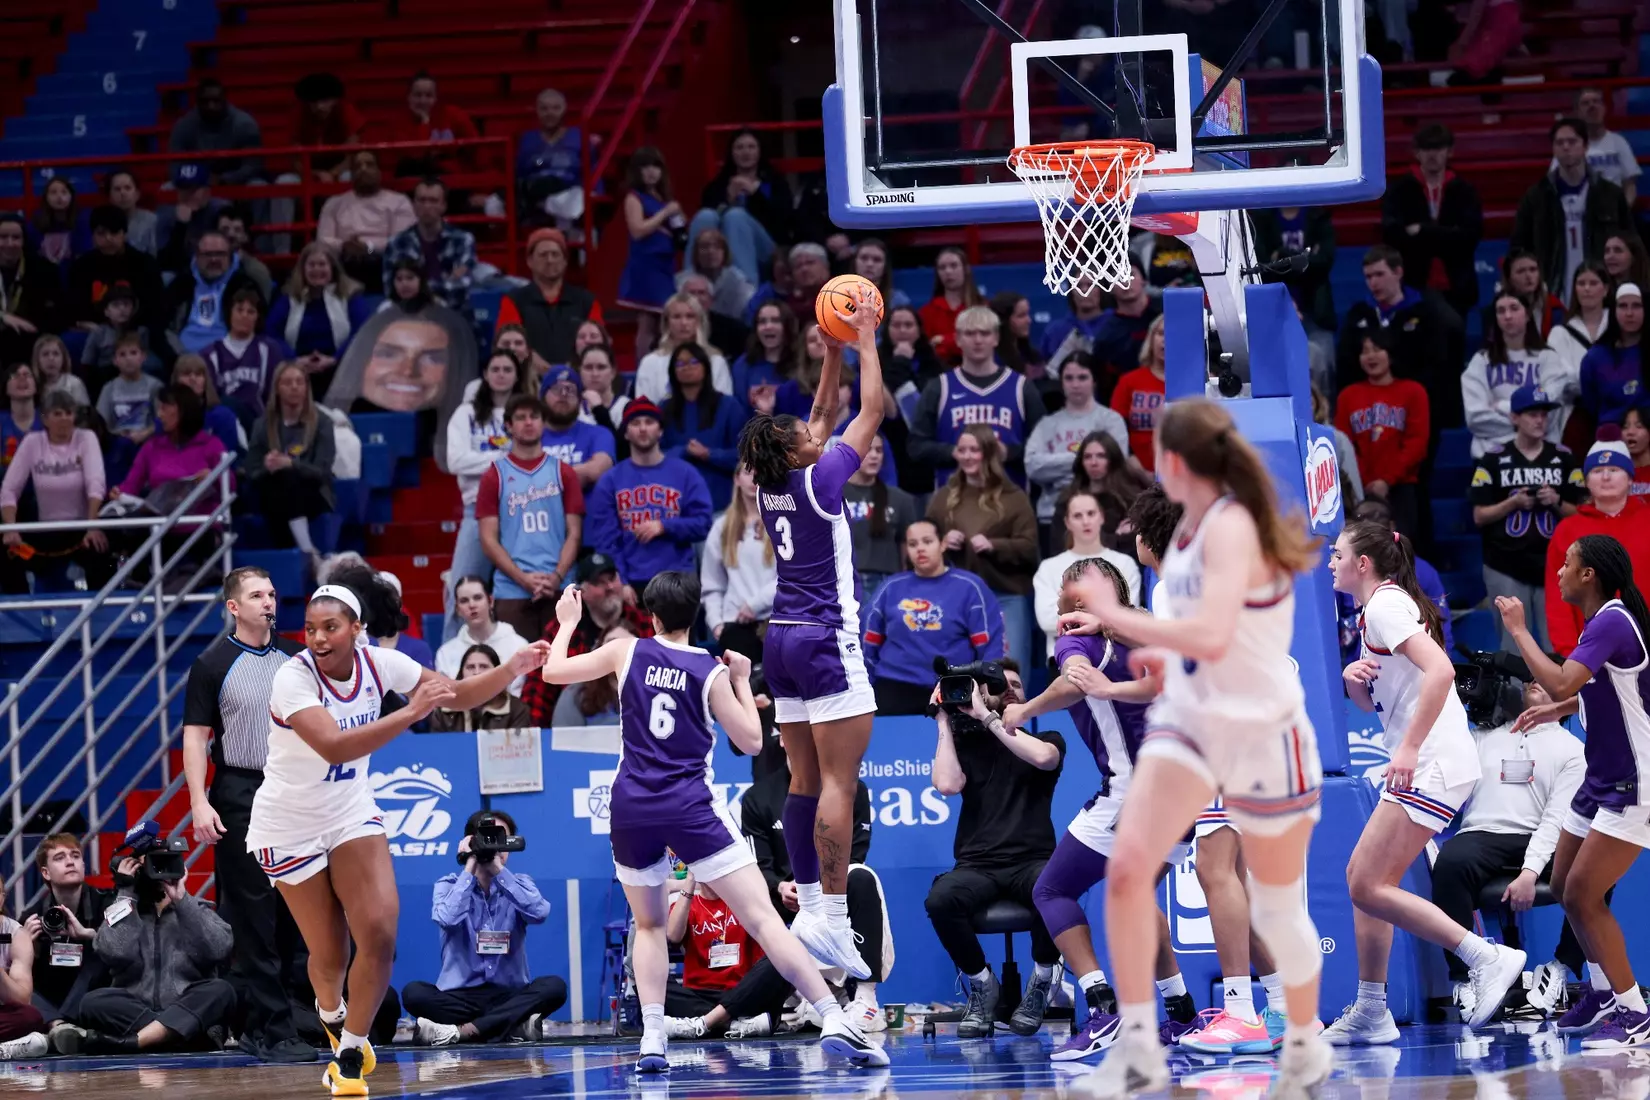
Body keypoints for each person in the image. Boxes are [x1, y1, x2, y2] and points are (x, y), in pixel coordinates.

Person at [1056, 398, 1332, 1095]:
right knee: (1236, 881)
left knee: (1218, 873)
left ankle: (1241, 1011)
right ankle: (1284, 1014)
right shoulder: (1192, 541)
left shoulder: (1225, 528)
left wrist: (1115, 619)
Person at [539, 574, 886, 1070]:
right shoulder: (708, 669)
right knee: (765, 920)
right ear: (694, 615)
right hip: (689, 806)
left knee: (650, 924)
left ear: (651, 615)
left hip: (632, 805)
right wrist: (743, 681)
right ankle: (834, 1016)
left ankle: (652, 1037)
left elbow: (553, 673)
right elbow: (749, 740)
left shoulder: (626, 652)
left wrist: (568, 623)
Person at [248, 583, 545, 1094]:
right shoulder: (291, 679)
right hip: (288, 824)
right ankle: (332, 1015)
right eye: (311, 628)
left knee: (381, 934)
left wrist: (511, 668)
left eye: (331, 627)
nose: (318, 637)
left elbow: (453, 692)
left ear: (357, 629)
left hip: (348, 812)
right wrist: (409, 712)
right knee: (330, 954)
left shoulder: (381, 663)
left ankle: (348, 1052)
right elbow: (335, 747)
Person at [732, 282, 889, 984]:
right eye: (800, 431)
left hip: (781, 640)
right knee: (839, 782)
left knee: (799, 776)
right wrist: (865, 342)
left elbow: (824, 412)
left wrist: (828, 353)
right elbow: (872, 409)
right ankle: (827, 912)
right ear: (797, 451)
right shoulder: (824, 480)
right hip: (827, 638)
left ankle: (811, 914)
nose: (811, 427)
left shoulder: (771, 484)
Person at [1326, 521, 1525, 1043]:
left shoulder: (1386, 606)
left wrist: (1410, 749)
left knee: (1365, 883)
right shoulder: (1377, 611)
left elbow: (1440, 672)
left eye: (1338, 553)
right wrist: (1354, 683)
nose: (1330, 561)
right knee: (1365, 885)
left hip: (1432, 759)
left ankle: (1484, 957)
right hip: (1432, 758)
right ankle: (1372, 1008)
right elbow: (1379, 701)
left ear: (1362, 564)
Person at [1005, 560, 1199, 1059]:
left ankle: (1101, 1007)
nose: (1071, 604)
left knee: (1053, 888)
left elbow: (1074, 681)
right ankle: (1181, 1015)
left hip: (1136, 790)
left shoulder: (1076, 636)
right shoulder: (1147, 630)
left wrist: (1024, 711)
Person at [1496, 535, 1650, 1047]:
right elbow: (1588, 691)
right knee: (1563, 886)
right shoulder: (1603, 621)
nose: (1558, 571)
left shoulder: (1611, 618)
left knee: (1585, 894)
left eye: (1567, 563)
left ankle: (1634, 1010)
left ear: (1590, 575)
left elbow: (1563, 681)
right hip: (1599, 777)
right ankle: (1603, 993)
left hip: (1633, 781)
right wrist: (1559, 711)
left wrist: (1519, 631)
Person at [178, 567, 311, 1062]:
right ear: (233, 606)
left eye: (273, 593)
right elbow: (195, 736)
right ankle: (269, 1032)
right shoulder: (212, 663)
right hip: (239, 788)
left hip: (294, 787)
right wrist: (198, 800)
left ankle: (295, 1020)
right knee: (253, 914)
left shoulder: (297, 658)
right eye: (257, 595)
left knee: (295, 912)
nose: (269, 602)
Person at [925, 658, 1065, 1036]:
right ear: (982, 692)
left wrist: (990, 718)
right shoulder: (967, 743)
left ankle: (1041, 982)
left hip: (1032, 860)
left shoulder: (1048, 738)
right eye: (1000, 685)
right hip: (977, 865)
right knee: (941, 899)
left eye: (1016, 685)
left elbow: (1043, 759)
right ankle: (983, 984)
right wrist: (943, 719)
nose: (1010, 690)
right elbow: (947, 785)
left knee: (1054, 888)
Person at [1430, 679, 1587, 1016]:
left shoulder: (1572, 749)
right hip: (1483, 834)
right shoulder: (1482, 737)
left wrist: (1530, 872)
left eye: (1549, 680)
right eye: (1531, 678)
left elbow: (1556, 820)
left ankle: (1559, 968)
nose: (1537, 683)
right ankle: (1467, 977)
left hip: (1540, 836)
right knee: (1450, 863)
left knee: (1594, 871)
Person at [736, 736, 892, 1034]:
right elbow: (759, 866)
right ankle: (817, 995)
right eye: (798, 733)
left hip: (835, 894)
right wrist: (780, 887)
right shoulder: (758, 798)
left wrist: (821, 887)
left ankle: (866, 999)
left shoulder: (852, 789)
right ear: (784, 739)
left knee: (863, 877)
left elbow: (855, 852)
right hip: (784, 903)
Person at [47, 842, 235, 1056]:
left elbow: (220, 949)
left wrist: (182, 900)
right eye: (154, 863)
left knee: (220, 990)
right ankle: (174, 1037)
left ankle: (135, 1042)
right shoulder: (123, 909)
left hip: (185, 1005)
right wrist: (127, 892)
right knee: (93, 1001)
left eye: (166, 862)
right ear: (137, 868)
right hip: (147, 1012)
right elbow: (113, 952)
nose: (160, 870)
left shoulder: (197, 908)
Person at [402, 809, 563, 1042]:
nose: (494, 845)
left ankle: (461, 1032)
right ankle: (513, 1025)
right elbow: (448, 919)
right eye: (486, 838)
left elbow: (539, 913)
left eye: (500, 838)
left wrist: (498, 870)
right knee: (414, 993)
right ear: (469, 842)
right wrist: (470, 865)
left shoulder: (520, 884)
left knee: (554, 987)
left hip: (508, 995)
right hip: (459, 998)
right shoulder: (447, 885)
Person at [1470, 384, 1585, 653]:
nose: (1539, 420)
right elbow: (1479, 516)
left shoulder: (1564, 457)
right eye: (1532, 414)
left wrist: (1556, 502)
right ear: (1514, 418)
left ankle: (1557, 696)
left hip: (1556, 564)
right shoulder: (1494, 459)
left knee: (1556, 643)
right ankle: (1514, 697)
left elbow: (1583, 514)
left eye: (1544, 414)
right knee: (1512, 647)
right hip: (1505, 563)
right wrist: (1513, 503)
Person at [925, 425, 1038, 673]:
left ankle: (1014, 712)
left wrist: (995, 545)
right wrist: (943, 541)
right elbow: (923, 541)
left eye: (973, 450)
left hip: (1005, 596)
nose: (966, 456)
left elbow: (1030, 549)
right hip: (956, 599)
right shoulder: (944, 497)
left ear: (988, 453)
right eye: (961, 450)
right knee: (958, 671)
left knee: (1010, 669)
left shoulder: (1014, 497)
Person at [864, 519, 1002, 715]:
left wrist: (987, 686)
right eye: (913, 544)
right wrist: (866, 684)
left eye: (927, 542)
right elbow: (867, 641)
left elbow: (991, 645)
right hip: (894, 685)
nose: (920, 549)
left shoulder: (971, 587)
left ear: (943, 543)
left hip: (954, 686)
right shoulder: (890, 588)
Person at [476, 394, 584, 643]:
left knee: (565, 671)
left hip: (560, 586)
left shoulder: (563, 472)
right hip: (512, 589)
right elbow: (488, 539)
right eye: (521, 417)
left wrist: (556, 576)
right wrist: (522, 578)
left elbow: (574, 533)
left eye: (534, 416)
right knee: (515, 674)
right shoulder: (494, 475)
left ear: (544, 423)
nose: (528, 422)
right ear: (508, 425)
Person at [585, 399, 713, 597]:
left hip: (678, 579)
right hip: (633, 582)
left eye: (649, 422)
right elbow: (607, 540)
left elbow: (703, 524)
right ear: (626, 433)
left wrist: (664, 526)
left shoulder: (686, 473)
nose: (643, 428)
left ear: (660, 430)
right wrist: (621, 580)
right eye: (635, 424)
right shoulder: (610, 480)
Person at [910, 304, 1047, 485]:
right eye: (970, 334)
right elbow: (916, 446)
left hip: (1009, 498)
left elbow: (1044, 445)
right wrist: (954, 452)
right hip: (954, 501)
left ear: (996, 338)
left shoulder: (1021, 387)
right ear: (958, 339)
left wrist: (1008, 452)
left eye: (984, 333)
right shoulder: (939, 388)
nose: (978, 340)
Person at [1335, 244, 1465, 428]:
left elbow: (1435, 365)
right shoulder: (1358, 314)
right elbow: (1346, 364)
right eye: (1368, 277)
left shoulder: (1426, 313)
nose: (1373, 283)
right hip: (1367, 411)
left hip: (1413, 407)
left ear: (1398, 272)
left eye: (1379, 275)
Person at [518, 552, 653, 724]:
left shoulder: (646, 624)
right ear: (582, 593)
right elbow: (538, 690)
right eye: (598, 583)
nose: (610, 587)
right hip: (579, 724)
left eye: (612, 578)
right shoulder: (561, 630)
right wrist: (536, 737)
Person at [1545, 437, 1650, 655]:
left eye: (1614, 469)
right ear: (1586, 481)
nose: (1605, 477)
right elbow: (1558, 597)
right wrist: (1568, 653)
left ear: (1630, 478)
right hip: (1590, 652)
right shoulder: (1568, 530)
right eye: (1597, 470)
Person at [1511, 118, 1637, 296]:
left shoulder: (1610, 195)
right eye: (1559, 143)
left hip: (1603, 289)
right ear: (1553, 149)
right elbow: (1519, 247)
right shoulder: (1535, 197)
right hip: (1552, 289)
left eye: (1572, 141)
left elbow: (1631, 244)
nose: (1566, 147)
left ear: (1585, 146)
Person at [1381, 123, 1484, 320]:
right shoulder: (1400, 190)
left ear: (1449, 152)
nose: (1432, 154)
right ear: (1417, 153)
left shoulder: (1464, 191)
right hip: (1412, 286)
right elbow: (1392, 235)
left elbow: (1470, 237)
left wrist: (1422, 231)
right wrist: (1447, 235)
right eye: (1426, 149)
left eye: (1438, 148)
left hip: (1457, 288)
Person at [1335, 327, 1430, 540]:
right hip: (1359, 490)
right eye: (1365, 351)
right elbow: (1344, 445)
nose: (1370, 356)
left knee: (1401, 551)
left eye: (1377, 349)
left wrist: (1386, 480)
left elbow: (1417, 443)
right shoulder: (1348, 396)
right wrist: (1364, 482)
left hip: (1401, 488)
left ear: (1390, 352)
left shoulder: (1414, 392)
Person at [1025, 354, 1132, 541]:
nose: (1075, 384)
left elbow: (1115, 462)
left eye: (1082, 377)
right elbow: (1032, 466)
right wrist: (1084, 461)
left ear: (1094, 381)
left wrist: (1055, 466)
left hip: (1103, 513)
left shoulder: (1111, 420)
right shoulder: (1047, 424)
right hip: (1052, 515)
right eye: (1069, 378)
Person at [244, 362, 337, 569]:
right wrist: (267, 467)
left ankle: (299, 554)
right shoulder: (262, 425)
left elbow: (322, 472)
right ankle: (307, 553)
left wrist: (291, 464)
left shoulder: (322, 423)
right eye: (287, 382)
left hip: (313, 494)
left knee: (288, 478)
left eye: (299, 382)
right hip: (273, 493)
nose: (294, 387)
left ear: (306, 387)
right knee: (277, 483)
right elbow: (251, 470)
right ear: (277, 388)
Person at [21, 835, 110, 1039]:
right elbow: (20, 982)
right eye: (60, 858)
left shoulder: (107, 903)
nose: (70, 861)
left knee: (100, 954)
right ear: (46, 872)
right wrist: (28, 951)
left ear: (83, 864)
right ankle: (60, 1027)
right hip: (51, 1000)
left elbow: (127, 954)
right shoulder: (32, 916)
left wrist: (91, 935)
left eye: (76, 856)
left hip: (94, 998)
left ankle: (61, 1026)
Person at [1033, 487, 1141, 648]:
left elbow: (1129, 615)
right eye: (1078, 515)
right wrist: (1104, 614)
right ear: (1067, 522)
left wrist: (1072, 610)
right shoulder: (1048, 568)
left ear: (1102, 517)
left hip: (1115, 654)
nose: (1085, 521)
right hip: (1062, 657)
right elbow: (1047, 620)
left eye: (1091, 513)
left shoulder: (1124, 563)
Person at [1463, 289, 1566, 456]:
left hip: (1541, 457)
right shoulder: (1480, 361)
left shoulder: (1548, 358)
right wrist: (1528, 423)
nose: (1508, 316)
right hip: (1491, 456)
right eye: (1501, 311)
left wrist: (1503, 406)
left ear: (1527, 315)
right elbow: (1475, 418)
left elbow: (1551, 413)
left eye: (1514, 308)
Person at [266, 243, 373, 400]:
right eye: (311, 265)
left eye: (322, 264)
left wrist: (335, 359)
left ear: (332, 268)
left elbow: (363, 331)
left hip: (340, 365)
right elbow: (271, 332)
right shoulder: (289, 296)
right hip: (299, 366)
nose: (317, 270)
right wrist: (293, 359)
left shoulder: (349, 294)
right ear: (303, 269)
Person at [688, 130, 794, 286]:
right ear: (732, 153)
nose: (746, 152)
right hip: (721, 249)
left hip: (767, 249)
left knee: (735, 216)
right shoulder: (718, 185)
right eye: (740, 147)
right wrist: (728, 200)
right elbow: (712, 218)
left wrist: (755, 194)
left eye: (751, 147)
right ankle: (691, 282)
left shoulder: (775, 183)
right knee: (705, 216)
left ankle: (744, 289)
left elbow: (782, 223)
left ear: (759, 151)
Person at [495, 228, 604, 368]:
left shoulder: (587, 301)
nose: (550, 260)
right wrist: (546, 371)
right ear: (529, 261)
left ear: (565, 261)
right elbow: (507, 344)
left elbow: (598, 344)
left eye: (555, 254)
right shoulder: (514, 300)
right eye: (543, 255)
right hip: (528, 379)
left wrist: (568, 371)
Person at [702, 466, 775, 661]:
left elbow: (791, 576)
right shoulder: (722, 527)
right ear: (736, 478)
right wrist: (717, 624)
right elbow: (712, 585)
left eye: (759, 473)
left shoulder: (781, 522)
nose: (754, 479)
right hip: (735, 626)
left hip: (775, 621)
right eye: (748, 472)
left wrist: (756, 604)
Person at [617, 148, 683, 358]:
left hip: (665, 265)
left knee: (661, 324)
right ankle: (641, 372)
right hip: (646, 266)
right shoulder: (634, 197)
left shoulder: (662, 197)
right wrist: (665, 213)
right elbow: (637, 230)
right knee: (647, 323)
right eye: (645, 167)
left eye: (656, 166)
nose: (652, 172)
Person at [65, 205, 164, 341]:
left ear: (124, 234)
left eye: (114, 232)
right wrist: (84, 324)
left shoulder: (144, 264)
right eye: (101, 233)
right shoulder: (81, 266)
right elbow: (74, 307)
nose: (109, 238)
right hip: (93, 331)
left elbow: (154, 308)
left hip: (136, 331)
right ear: (93, 236)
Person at [381, 179, 475, 315]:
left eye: (433, 201)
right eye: (422, 200)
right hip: (410, 316)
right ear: (414, 205)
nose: (427, 206)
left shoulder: (463, 240)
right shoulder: (397, 243)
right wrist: (446, 282)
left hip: (454, 316)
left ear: (444, 206)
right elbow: (391, 290)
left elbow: (462, 289)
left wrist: (415, 288)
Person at [842, 434, 918, 602]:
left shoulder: (901, 500)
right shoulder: (834, 496)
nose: (875, 455)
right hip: (844, 582)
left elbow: (906, 547)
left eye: (879, 450)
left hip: (887, 583)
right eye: (868, 449)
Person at [165, 231, 264, 357]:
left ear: (230, 255)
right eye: (208, 254)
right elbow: (162, 327)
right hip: (183, 358)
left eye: (220, 254)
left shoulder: (245, 285)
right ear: (197, 256)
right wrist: (178, 358)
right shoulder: (180, 284)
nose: (214, 259)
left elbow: (258, 326)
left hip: (230, 357)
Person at [202, 288, 290, 428]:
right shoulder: (211, 353)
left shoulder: (269, 349)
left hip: (258, 423)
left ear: (257, 317)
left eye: (251, 312)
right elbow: (210, 400)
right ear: (229, 313)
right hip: (224, 421)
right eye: (239, 310)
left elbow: (278, 394)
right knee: (224, 407)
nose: (244, 315)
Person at [1548, 262, 1613, 445]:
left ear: (1606, 289)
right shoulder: (1559, 333)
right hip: (1577, 414)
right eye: (1581, 283)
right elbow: (1561, 377)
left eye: (1593, 283)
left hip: (1617, 412)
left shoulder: (1618, 327)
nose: (1587, 289)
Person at [634, 293, 734, 403]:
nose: (683, 323)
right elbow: (643, 410)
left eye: (690, 316)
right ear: (667, 323)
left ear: (699, 321)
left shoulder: (715, 361)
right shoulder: (650, 363)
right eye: (676, 317)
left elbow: (724, 405)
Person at [436, 577, 529, 692]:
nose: (472, 605)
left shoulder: (519, 646)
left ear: (490, 601)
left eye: (477, 598)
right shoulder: (445, 653)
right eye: (464, 600)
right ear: (457, 609)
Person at [317, 151, 415, 256]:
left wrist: (369, 248)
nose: (363, 169)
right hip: (344, 259)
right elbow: (322, 241)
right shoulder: (334, 204)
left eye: (369, 165)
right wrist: (344, 246)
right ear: (352, 173)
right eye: (358, 166)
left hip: (384, 261)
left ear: (379, 171)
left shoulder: (399, 202)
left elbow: (402, 243)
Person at [0, 214, 66, 370]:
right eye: (3, 237)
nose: (10, 243)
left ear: (24, 240)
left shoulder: (44, 270)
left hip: (28, 340)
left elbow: (56, 316)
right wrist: (3, 317)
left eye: (16, 237)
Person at [168, 78, 263, 185]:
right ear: (197, 103)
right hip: (195, 185)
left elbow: (253, 166)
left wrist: (224, 179)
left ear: (225, 100)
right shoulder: (183, 126)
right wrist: (199, 178)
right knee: (167, 187)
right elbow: (175, 168)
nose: (211, 106)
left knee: (257, 184)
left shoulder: (245, 124)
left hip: (237, 183)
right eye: (205, 101)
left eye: (216, 101)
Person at [1578, 283, 1645, 430]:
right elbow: (1592, 406)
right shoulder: (1595, 358)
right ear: (1613, 310)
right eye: (1622, 306)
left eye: (1636, 306)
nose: (1629, 313)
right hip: (1611, 439)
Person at [1559, 88, 1642, 206]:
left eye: (1596, 101)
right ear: (1577, 112)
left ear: (1604, 108)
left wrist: (1623, 213)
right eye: (1585, 103)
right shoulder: (1567, 146)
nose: (1592, 106)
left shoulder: (1619, 142)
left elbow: (1630, 185)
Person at [517, 87, 585, 229]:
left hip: (568, 193)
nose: (550, 113)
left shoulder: (579, 137)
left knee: (571, 203)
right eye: (544, 108)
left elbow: (592, 170)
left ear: (564, 109)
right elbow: (519, 173)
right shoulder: (527, 140)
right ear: (537, 110)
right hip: (535, 197)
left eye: (555, 108)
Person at [1110, 315, 1168, 469]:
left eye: (1171, 334)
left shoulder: (1195, 383)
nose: (1165, 340)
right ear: (1151, 338)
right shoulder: (1130, 381)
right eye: (1161, 333)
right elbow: (1114, 429)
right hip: (1134, 472)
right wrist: (1135, 468)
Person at [919, 247, 984, 365]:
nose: (948, 271)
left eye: (954, 266)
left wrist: (943, 340)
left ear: (966, 269)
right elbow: (928, 350)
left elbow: (982, 344)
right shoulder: (927, 311)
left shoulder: (982, 307)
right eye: (942, 267)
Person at [105, 170, 158, 257]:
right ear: (110, 196)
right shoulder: (102, 221)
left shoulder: (151, 220)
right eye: (117, 189)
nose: (123, 193)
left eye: (127, 188)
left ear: (137, 194)